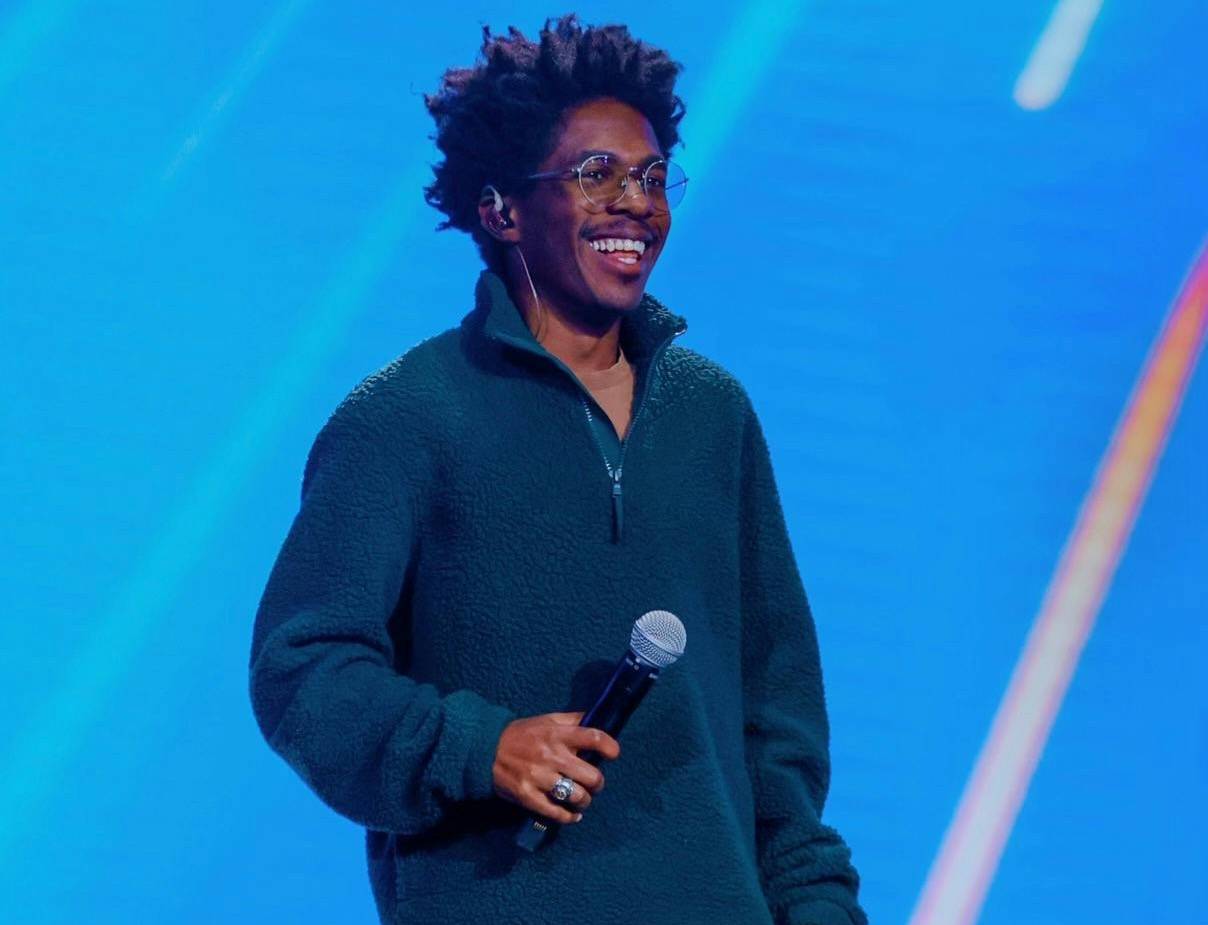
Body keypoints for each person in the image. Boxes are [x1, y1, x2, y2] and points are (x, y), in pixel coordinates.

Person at [249, 13, 867, 925]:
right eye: (597, 174)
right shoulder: (406, 417)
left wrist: (817, 908)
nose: (637, 203)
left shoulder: (712, 415)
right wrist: (479, 746)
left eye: (652, 177)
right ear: (501, 208)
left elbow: (777, 725)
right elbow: (302, 672)